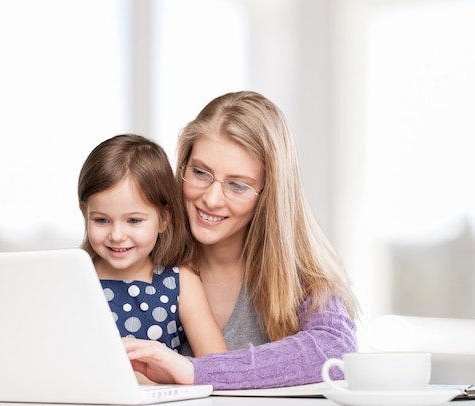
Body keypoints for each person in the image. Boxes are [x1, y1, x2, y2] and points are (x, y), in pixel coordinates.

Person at [123, 91, 361, 390]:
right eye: (199, 172)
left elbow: (335, 351)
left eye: (237, 185)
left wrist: (195, 372)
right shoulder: (140, 252)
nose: (210, 198)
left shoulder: (299, 272)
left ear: (269, 194)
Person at [78, 134, 228, 358]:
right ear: (85, 213)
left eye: (134, 221)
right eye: (101, 220)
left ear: (164, 218)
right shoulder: (77, 277)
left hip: (161, 393)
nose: (117, 235)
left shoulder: (180, 281)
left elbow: (218, 364)